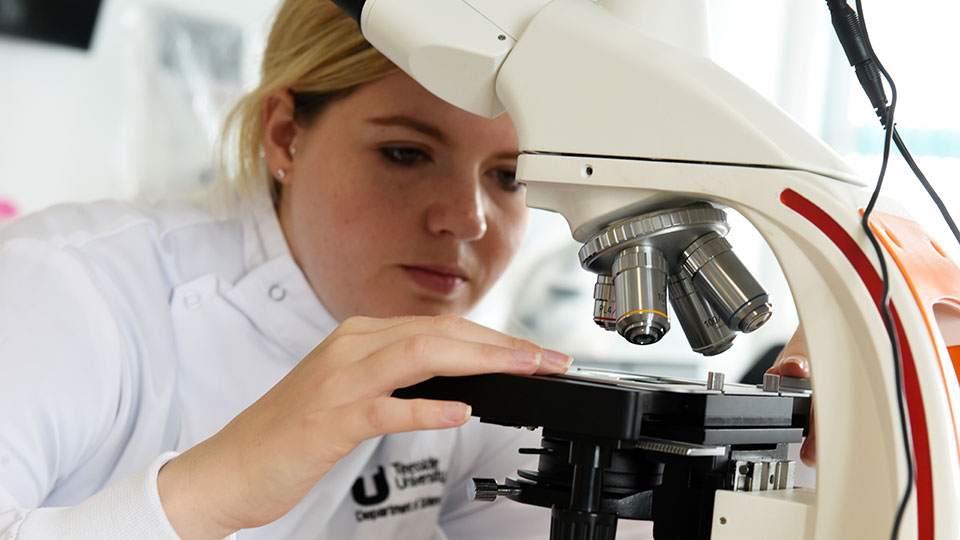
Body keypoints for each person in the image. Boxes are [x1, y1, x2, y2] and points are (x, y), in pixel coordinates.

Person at [0, 2, 810, 539]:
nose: (465, 218)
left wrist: (835, 440)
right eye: (404, 153)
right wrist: (226, 480)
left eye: (507, 176)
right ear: (286, 136)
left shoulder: (462, 373)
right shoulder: (66, 291)